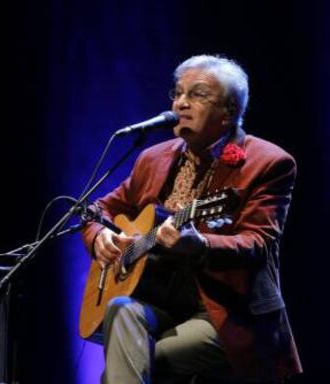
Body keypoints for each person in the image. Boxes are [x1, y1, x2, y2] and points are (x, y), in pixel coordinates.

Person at [81, 55, 302, 383]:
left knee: (133, 361)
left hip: (224, 311)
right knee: (120, 309)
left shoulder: (269, 163)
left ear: (228, 112)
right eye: (177, 93)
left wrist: (198, 244)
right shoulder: (153, 158)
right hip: (158, 302)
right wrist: (99, 234)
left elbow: (257, 242)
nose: (181, 103)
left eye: (197, 95)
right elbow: (95, 208)